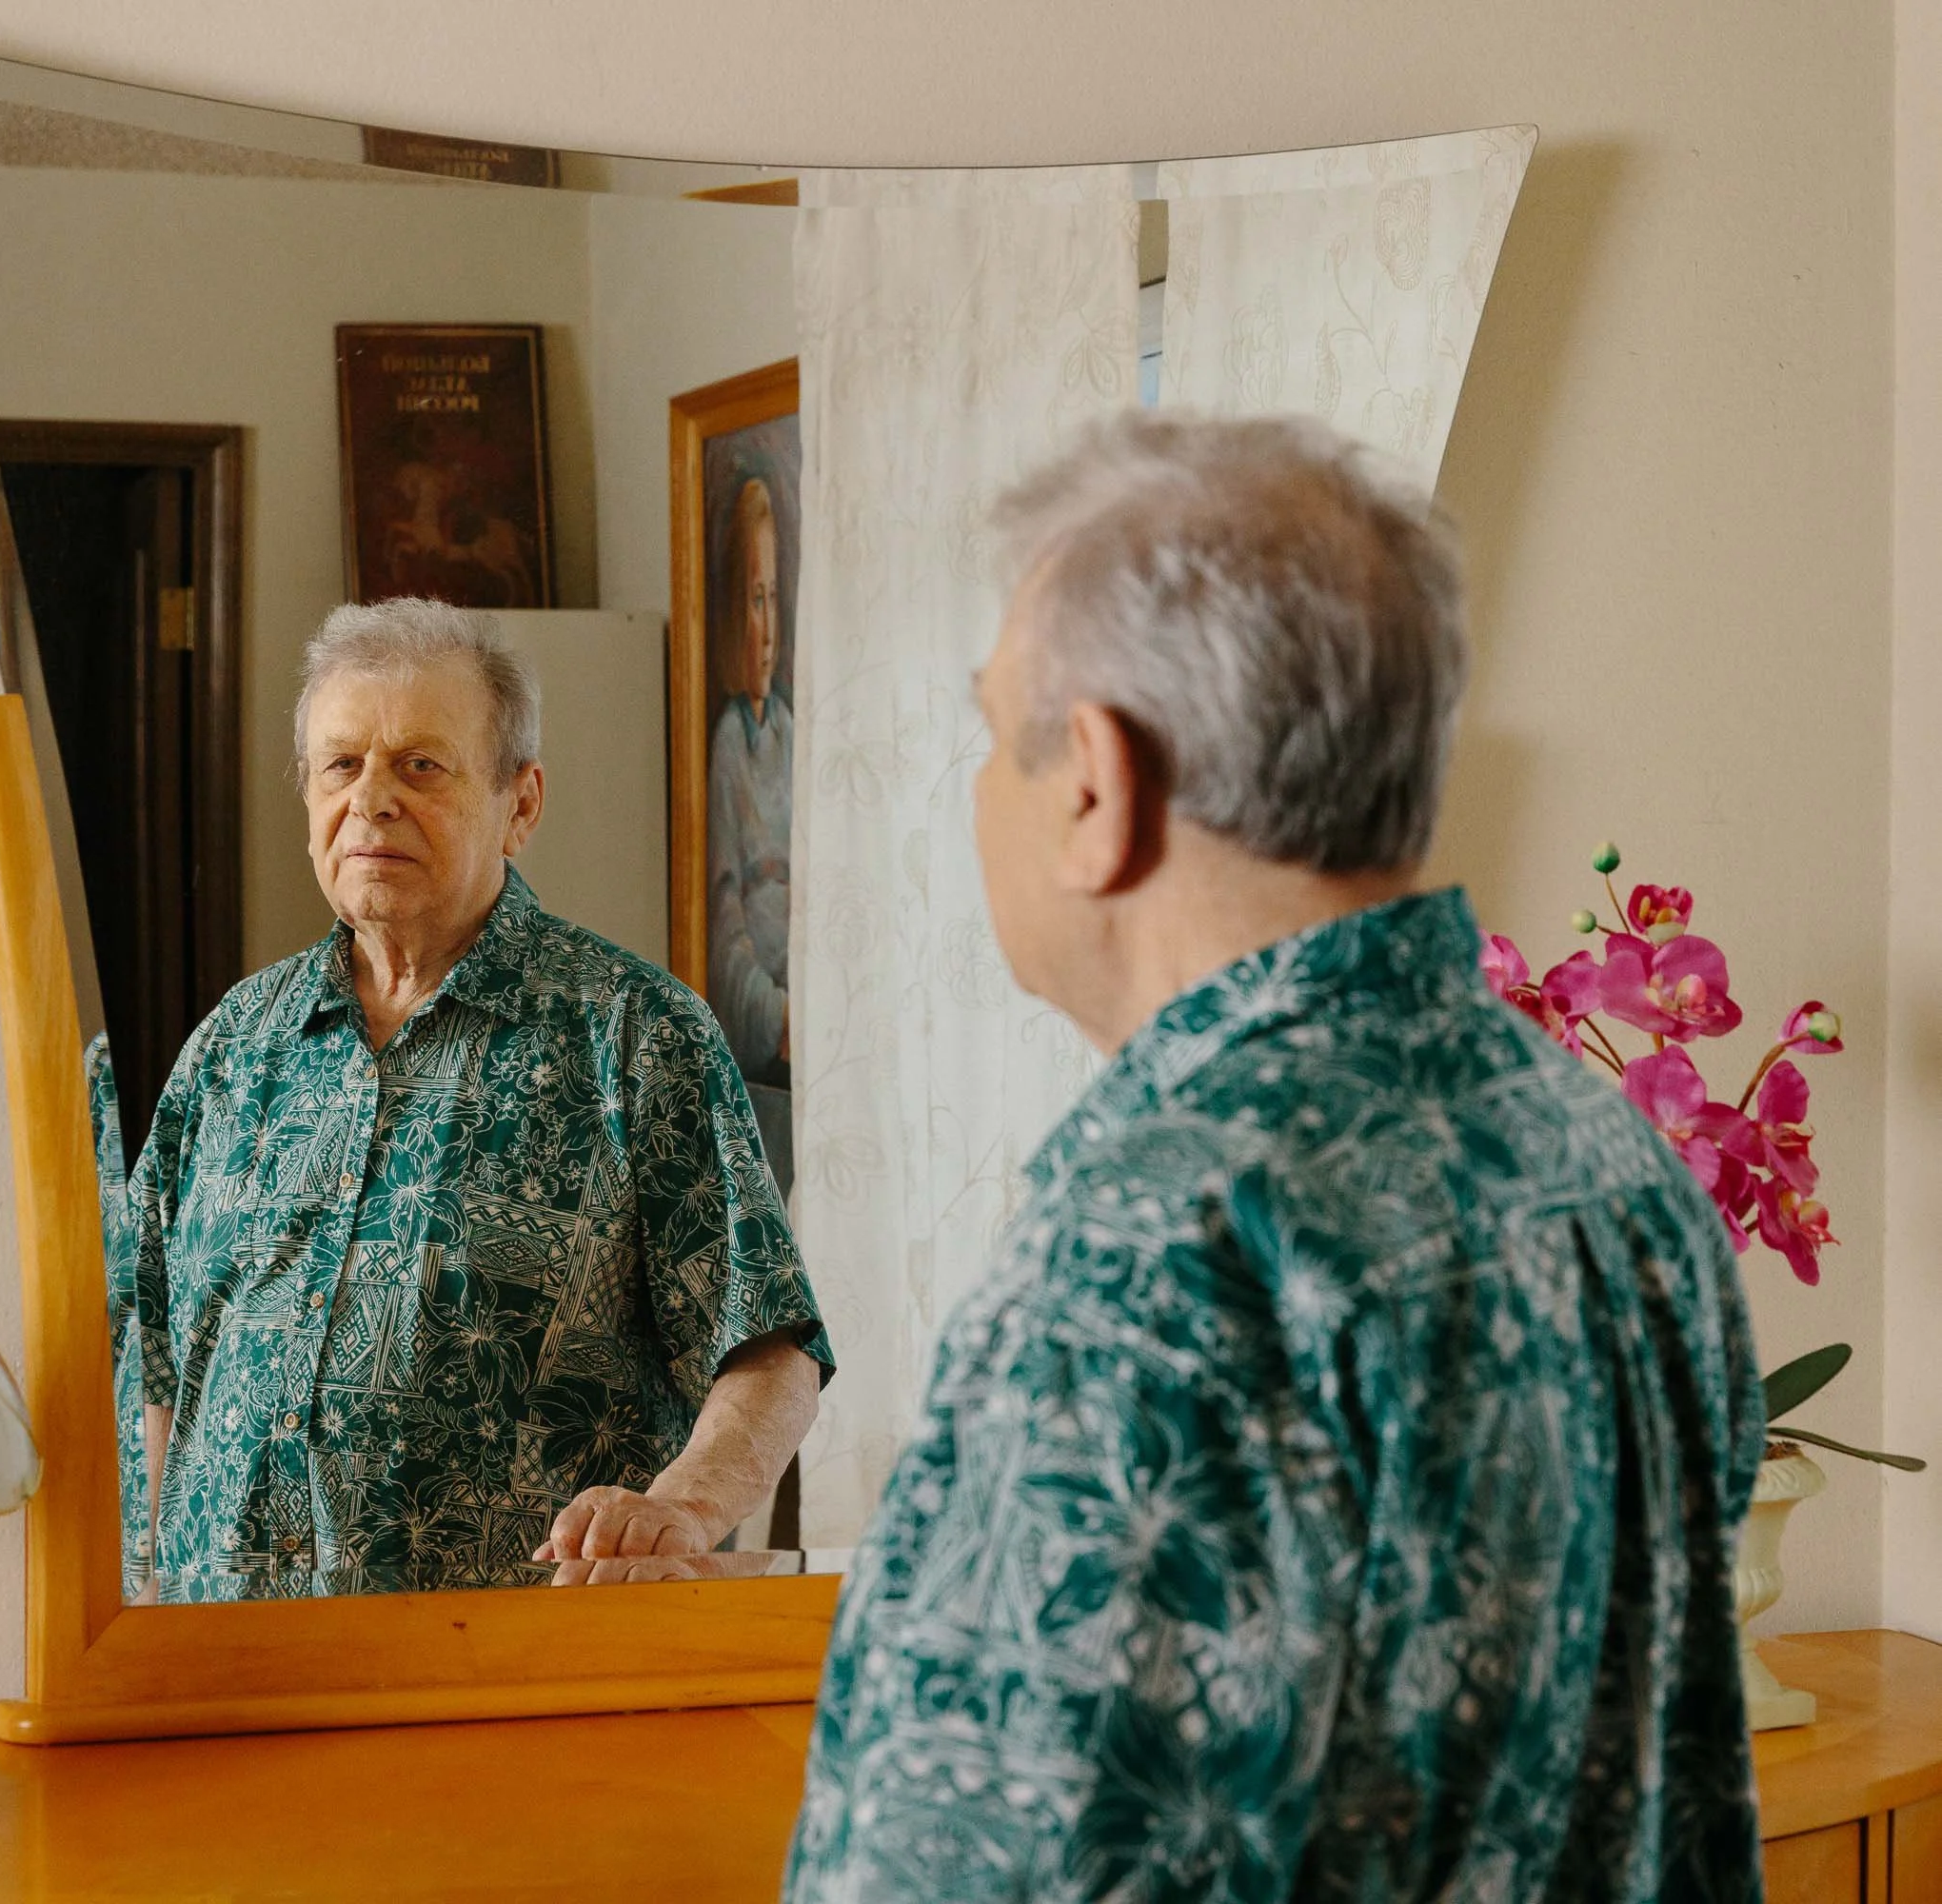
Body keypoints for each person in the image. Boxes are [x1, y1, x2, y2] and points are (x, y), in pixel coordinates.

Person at [784, 414, 1764, 1900]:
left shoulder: (1160, 1246)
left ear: (1099, 786)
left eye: (996, 737)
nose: (983, 785)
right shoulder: (1605, 1167)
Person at [131, 598, 831, 1599]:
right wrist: (135, 1608)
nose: (371, 800)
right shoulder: (232, 1049)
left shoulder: (634, 1036)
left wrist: (682, 1506)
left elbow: (770, 1348)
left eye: (421, 764)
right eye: (341, 764)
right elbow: (149, 1362)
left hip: (507, 1687)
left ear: (522, 802)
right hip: (224, 1684)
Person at [706, 476, 793, 1092]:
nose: (765, 631)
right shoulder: (730, 744)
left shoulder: (789, 728)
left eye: (772, 598)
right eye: (752, 601)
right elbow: (724, 911)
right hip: (767, 1015)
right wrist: (773, 1012)